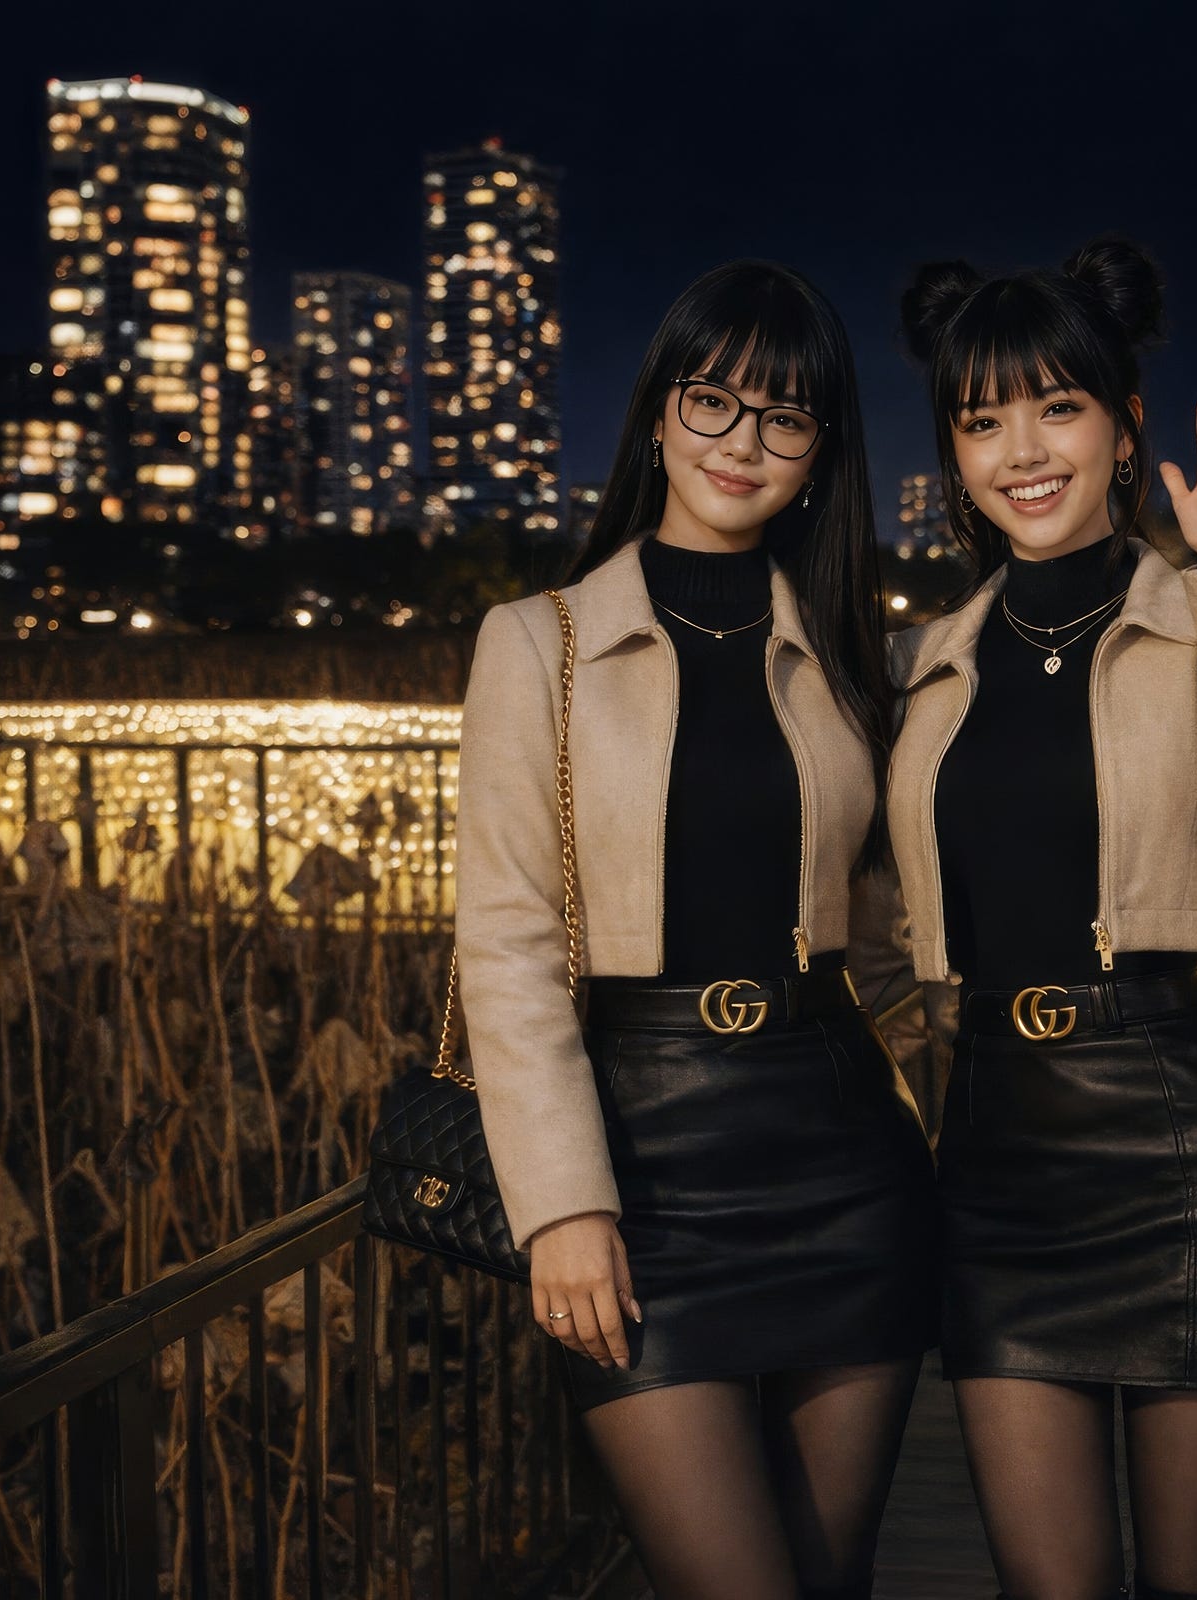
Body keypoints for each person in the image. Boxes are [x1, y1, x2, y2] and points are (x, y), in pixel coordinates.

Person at [453, 260, 938, 1600]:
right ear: (660, 414)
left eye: (786, 418)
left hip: (846, 1156)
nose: (743, 443)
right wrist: (564, 1208)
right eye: (715, 402)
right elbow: (504, 948)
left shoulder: (856, 652)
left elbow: (899, 917)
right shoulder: (535, 644)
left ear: (820, 451)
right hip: (642, 1166)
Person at [889, 239, 1197, 1600]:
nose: (1019, 450)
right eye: (981, 421)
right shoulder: (931, 664)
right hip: (992, 1151)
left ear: (1123, 426)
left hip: (1184, 1143)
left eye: (1056, 407)